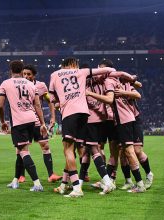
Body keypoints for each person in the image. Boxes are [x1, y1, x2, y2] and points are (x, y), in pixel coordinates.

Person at [49, 57, 117, 198]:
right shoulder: (83, 72)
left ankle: (76, 187)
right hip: (85, 114)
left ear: (64, 65)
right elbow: (108, 70)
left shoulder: (55, 74)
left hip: (70, 114)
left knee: (69, 150)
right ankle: (70, 184)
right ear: (74, 64)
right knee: (88, 150)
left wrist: (60, 101)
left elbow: (51, 98)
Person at [86, 59, 146, 193]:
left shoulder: (109, 81)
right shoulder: (119, 79)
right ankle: (114, 180)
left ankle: (140, 184)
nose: (98, 71)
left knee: (129, 152)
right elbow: (136, 84)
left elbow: (109, 99)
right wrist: (132, 80)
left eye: (101, 69)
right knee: (122, 152)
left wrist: (89, 94)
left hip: (123, 120)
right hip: (123, 119)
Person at [0, 60, 47, 192]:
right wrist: (42, 123)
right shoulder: (31, 84)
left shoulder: (6, 83)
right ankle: (15, 181)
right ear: (21, 71)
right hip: (32, 120)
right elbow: (38, 105)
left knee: (23, 151)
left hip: (18, 121)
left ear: (10, 70)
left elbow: (0, 106)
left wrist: (3, 122)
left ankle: (37, 183)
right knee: (20, 150)